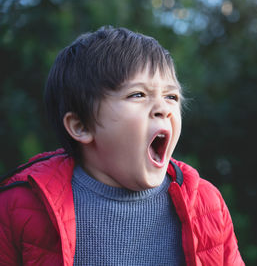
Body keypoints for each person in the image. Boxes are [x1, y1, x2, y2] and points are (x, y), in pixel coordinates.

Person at [0, 26, 244, 266]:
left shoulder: (205, 204)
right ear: (81, 126)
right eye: (138, 94)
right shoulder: (19, 206)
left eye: (171, 96)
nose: (164, 109)